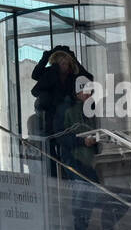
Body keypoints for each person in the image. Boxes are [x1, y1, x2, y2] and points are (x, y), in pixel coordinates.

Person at [57, 76, 127, 230]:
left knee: (98, 197)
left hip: (89, 162)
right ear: (78, 92)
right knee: (82, 196)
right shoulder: (67, 109)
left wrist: (96, 142)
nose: (88, 95)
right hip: (73, 160)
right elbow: (60, 136)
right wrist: (82, 141)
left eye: (91, 92)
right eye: (85, 91)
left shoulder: (93, 112)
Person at [30, 47, 91, 177]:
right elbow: (35, 76)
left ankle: (64, 175)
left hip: (66, 118)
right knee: (52, 151)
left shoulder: (71, 77)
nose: (66, 66)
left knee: (66, 148)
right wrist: (46, 56)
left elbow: (87, 77)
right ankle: (54, 176)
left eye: (67, 63)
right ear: (56, 64)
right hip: (51, 119)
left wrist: (73, 58)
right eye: (62, 63)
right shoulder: (50, 73)